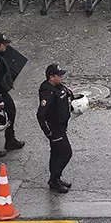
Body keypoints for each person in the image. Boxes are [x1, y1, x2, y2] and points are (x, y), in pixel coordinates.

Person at [37, 64, 76, 194]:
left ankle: (55, 179)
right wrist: (48, 132)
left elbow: (67, 97)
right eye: (59, 75)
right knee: (66, 153)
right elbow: (40, 115)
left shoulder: (58, 86)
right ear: (51, 77)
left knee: (56, 154)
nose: (61, 77)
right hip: (55, 128)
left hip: (62, 125)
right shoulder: (48, 92)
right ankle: (54, 180)